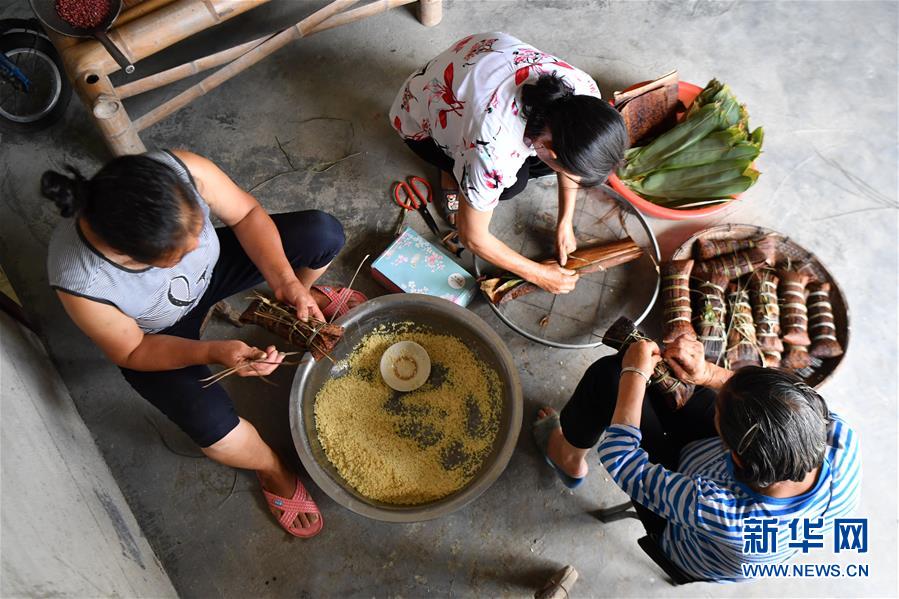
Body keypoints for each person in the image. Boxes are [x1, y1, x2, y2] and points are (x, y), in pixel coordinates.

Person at [42, 149, 366, 538]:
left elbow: (246, 215)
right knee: (213, 430)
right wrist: (214, 351)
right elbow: (133, 351)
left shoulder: (181, 172)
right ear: (130, 257)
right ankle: (271, 467)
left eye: (199, 230)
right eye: (179, 251)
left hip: (211, 279)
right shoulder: (83, 283)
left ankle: (296, 304)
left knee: (323, 233)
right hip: (156, 334)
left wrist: (287, 283)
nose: (199, 246)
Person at [533, 335, 861, 581]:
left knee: (608, 376)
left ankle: (567, 457)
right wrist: (706, 374)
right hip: (723, 478)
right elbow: (779, 402)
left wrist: (634, 371)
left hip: (685, 534)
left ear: (734, 455)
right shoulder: (838, 438)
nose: (716, 396)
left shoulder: (718, 510)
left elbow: (623, 461)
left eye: (720, 411)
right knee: (652, 381)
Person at [389, 32, 628, 295]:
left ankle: (463, 169)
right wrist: (539, 274)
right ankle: (451, 171)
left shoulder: (586, 94)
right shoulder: (493, 148)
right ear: (552, 150)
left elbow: (573, 151)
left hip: (472, 63)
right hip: (419, 117)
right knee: (511, 186)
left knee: (528, 171)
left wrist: (565, 221)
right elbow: (471, 236)